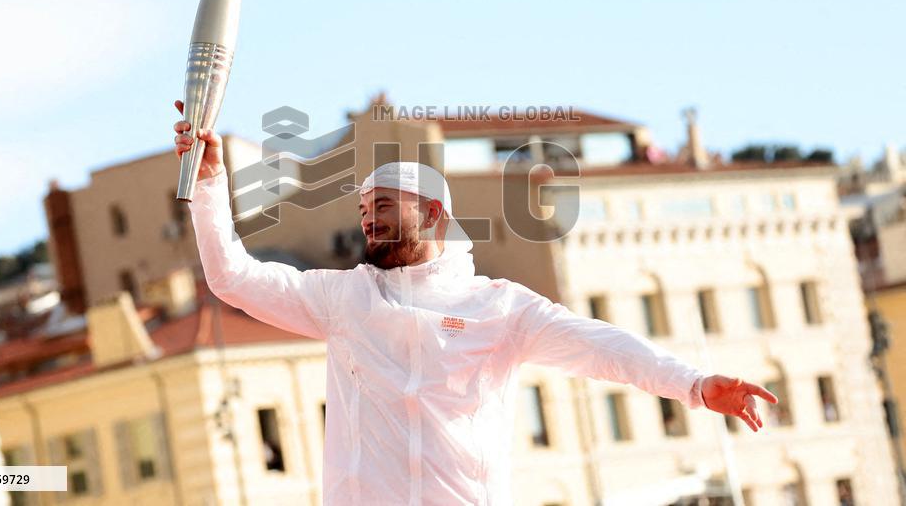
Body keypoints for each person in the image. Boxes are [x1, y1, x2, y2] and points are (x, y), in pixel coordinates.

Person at [172, 102, 778, 506]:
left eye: (383, 206)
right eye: (363, 212)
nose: (369, 221)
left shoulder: (501, 308)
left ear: (432, 212)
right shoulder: (341, 299)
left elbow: (603, 349)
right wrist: (207, 183)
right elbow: (231, 277)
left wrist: (696, 386)